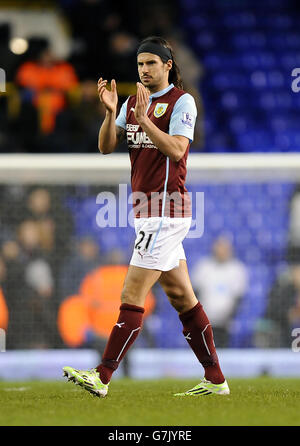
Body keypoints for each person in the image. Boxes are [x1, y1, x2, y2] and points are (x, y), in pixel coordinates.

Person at [63, 36, 229, 398]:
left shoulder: (181, 101)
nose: (144, 70)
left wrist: (145, 121)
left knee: (131, 291)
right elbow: (106, 147)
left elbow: (177, 149)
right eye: (140, 65)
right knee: (181, 297)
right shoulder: (131, 102)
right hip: (145, 211)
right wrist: (111, 113)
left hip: (166, 210)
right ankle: (216, 379)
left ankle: (102, 376)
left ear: (168, 65)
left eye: (151, 63)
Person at [191, 236, 248, 348]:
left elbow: (239, 297)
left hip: (226, 323)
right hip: (205, 321)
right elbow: (194, 293)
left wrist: (229, 316)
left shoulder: (237, 269)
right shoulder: (204, 267)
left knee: (221, 353)